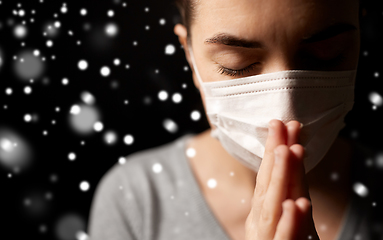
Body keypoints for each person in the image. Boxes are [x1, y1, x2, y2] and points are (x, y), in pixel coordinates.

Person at [87, 0, 383, 239]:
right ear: (189, 53)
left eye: (326, 55)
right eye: (237, 66)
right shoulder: (136, 200)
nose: (284, 111)